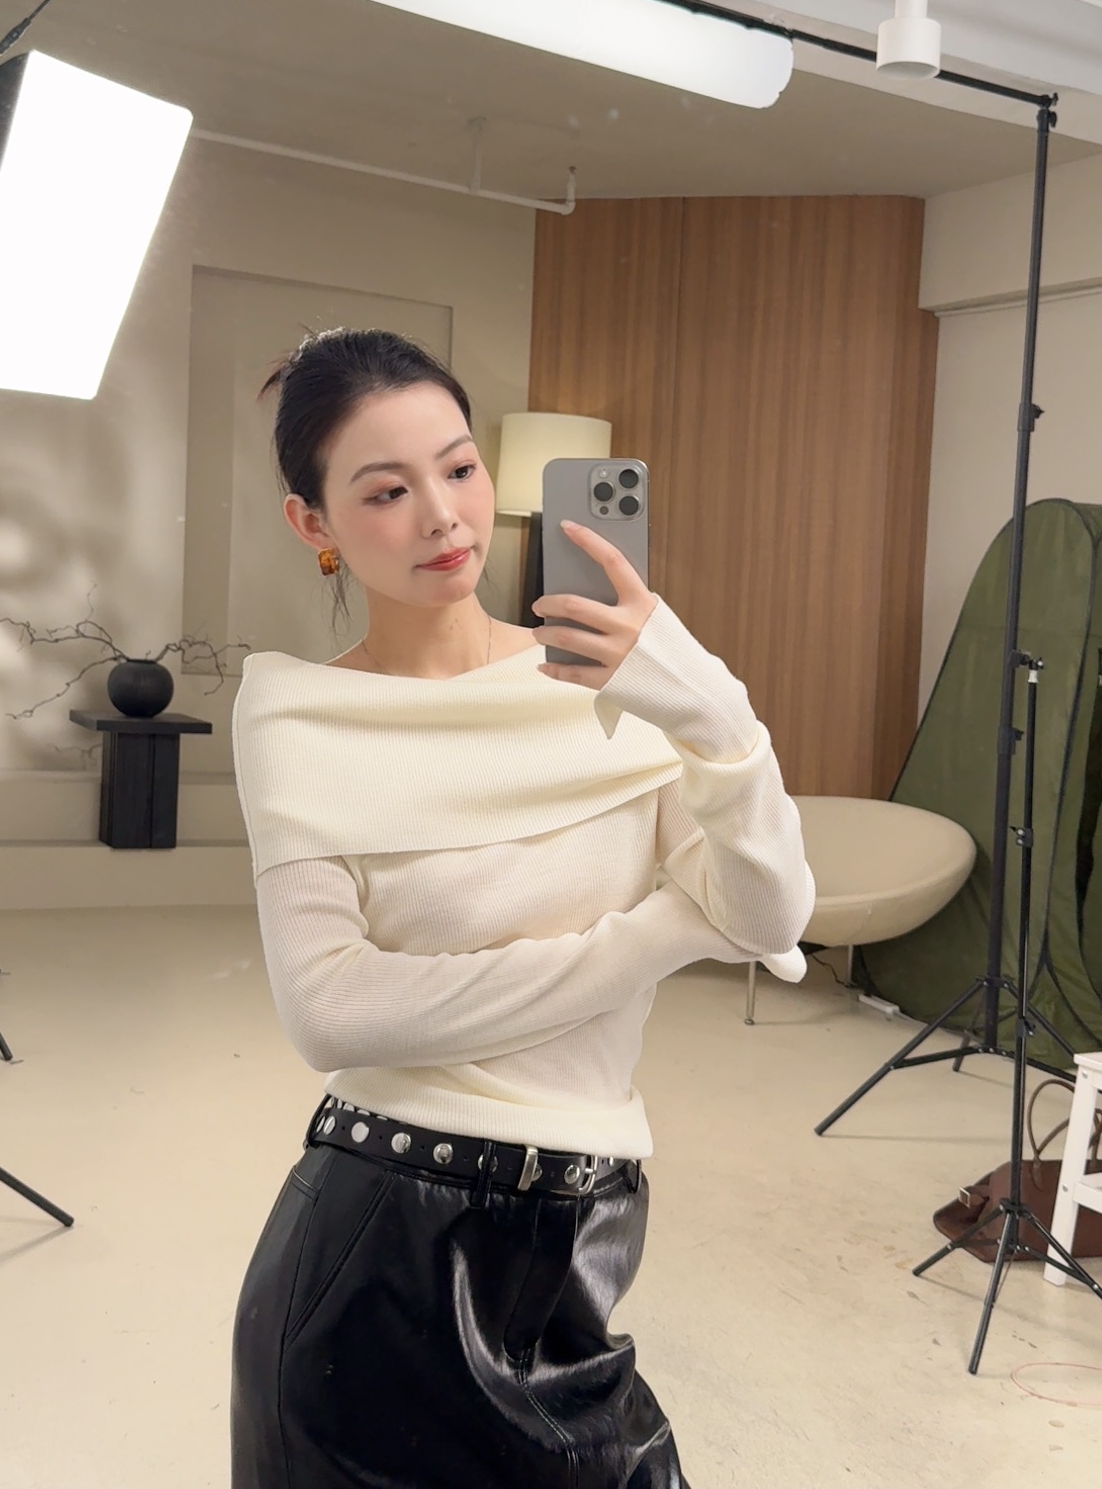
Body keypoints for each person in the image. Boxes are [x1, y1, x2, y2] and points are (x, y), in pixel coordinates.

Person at [229, 328, 814, 1489]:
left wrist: (714, 713)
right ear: (313, 521)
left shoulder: (623, 689)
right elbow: (332, 1012)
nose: (443, 515)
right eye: (386, 491)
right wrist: (660, 933)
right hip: (371, 1264)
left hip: (581, 1229)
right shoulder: (298, 720)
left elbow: (771, 912)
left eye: (459, 467)